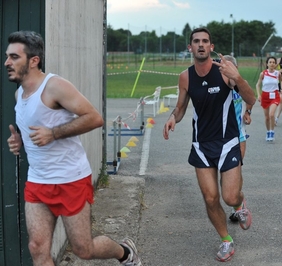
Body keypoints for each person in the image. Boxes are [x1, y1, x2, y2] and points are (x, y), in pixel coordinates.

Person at [5, 30, 141, 266]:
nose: (7, 62)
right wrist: (19, 142)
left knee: (83, 249)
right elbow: (33, 131)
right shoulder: (19, 95)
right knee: (37, 248)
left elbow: (94, 118)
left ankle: (125, 252)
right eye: (7, 56)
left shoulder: (55, 86)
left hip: (70, 179)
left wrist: (54, 133)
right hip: (38, 181)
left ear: (34, 60)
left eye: (14, 57)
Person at [163, 27, 256, 262]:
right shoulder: (185, 77)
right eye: (196, 41)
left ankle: (239, 204)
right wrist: (173, 117)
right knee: (211, 198)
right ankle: (226, 240)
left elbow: (251, 99)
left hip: (228, 142)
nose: (201, 45)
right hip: (201, 146)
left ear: (211, 47)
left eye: (205, 41)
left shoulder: (224, 71)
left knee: (230, 196)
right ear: (190, 48)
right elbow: (182, 106)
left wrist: (237, 77)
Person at [222, 55, 253, 222]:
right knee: (223, 175)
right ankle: (235, 201)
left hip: (239, 134)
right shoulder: (219, 86)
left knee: (237, 169)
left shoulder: (241, 84)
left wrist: (248, 112)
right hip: (220, 136)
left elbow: (251, 99)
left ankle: (238, 206)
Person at [256, 56, 282, 141]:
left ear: (275, 64)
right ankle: (268, 131)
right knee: (267, 117)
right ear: (267, 64)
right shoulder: (263, 73)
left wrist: (281, 89)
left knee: (272, 114)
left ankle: (272, 132)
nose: (272, 64)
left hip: (275, 96)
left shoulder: (277, 73)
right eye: (270, 62)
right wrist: (258, 95)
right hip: (265, 96)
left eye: (273, 62)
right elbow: (258, 85)